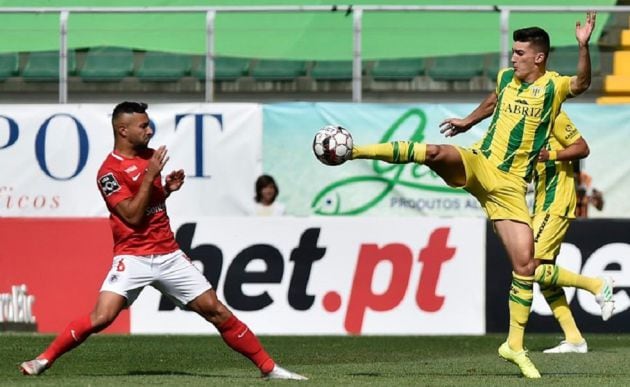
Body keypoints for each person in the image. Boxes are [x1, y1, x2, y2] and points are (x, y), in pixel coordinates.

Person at [325, 11, 611, 378]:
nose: (513, 58)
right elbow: (494, 99)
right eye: (513, 51)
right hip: (482, 163)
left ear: (538, 57)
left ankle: (514, 346)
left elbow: (583, 83)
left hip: (510, 190)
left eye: (520, 52)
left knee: (526, 267)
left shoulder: (553, 86)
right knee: (434, 153)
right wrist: (468, 120)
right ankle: (353, 151)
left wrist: (583, 46)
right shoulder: (507, 78)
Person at [19, 102, 307, 381]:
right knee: (102, 317)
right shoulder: (109, 172)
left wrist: (166, 189)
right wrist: (150, 177)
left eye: (149, 124)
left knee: (216, 311)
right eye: (143, 125)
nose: (149, 130)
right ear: (122, 130)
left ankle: (269, 368)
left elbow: (147, 206)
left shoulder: (150, 156)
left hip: (168, 254)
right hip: (132, 256)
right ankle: (43, 360)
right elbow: (131, 216)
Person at [532, 111, 614, 354]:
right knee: (544, 276)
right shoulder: (528, 127)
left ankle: (597, 284)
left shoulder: (552, 114)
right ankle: (574, 339)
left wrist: (551, 155)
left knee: (530, 265)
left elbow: (582, 147)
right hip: (541, 203)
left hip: (555, 202)